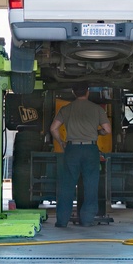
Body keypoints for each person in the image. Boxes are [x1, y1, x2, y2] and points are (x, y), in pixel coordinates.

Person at [49, 84, 111, 227]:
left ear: (73, 92)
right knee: (91, 185)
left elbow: (53, 128)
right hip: (90, 149)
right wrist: (98, 133)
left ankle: (62, 221)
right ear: (87, 92)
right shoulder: (96, 109)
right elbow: (107, 129)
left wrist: (61, 142)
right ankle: (87, 220)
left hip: (72, 149)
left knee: (67, 186)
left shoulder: (66, 109)